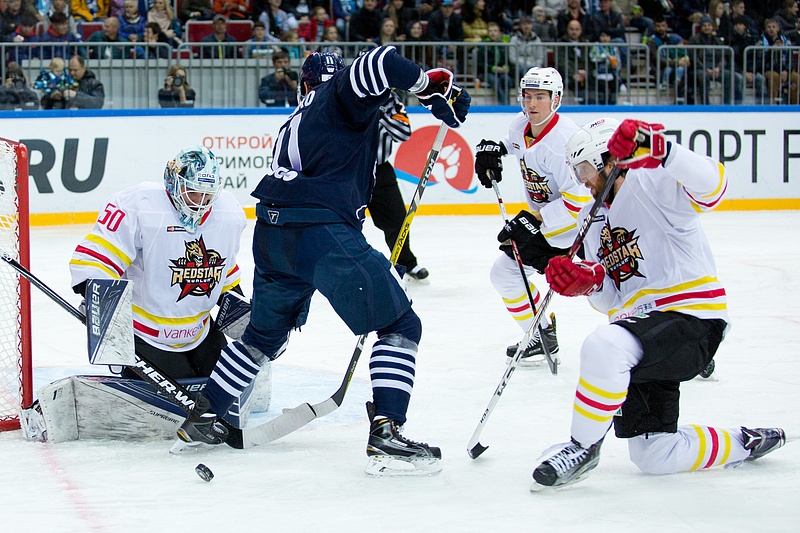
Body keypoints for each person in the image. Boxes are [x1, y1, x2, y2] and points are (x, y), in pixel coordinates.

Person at [176, 47, 470, 477]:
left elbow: (373, 117)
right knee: (401, 326)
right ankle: (387, 430)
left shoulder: (294, 119)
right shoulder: (339, 93)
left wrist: (425, 97)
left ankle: (207, 415)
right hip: (320, 234)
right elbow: (384, 61)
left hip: (274, 232)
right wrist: (428, 88)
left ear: (302, 84)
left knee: (262, 337)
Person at [526, 117, 786, 491]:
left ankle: (581, 447)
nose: (581, 179)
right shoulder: (591, 219)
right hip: (646, 331)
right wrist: (590, 282)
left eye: (584, 168)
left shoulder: (651, 182)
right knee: (655, 455)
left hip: (692, 320)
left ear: (609, 161)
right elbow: (615, 301)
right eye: (576, 170)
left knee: (604, 345)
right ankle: (744, 442)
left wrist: (663, 150)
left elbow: (714, 185)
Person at [69, 146, 247, 381]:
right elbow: (95, 261)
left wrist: (251, 326)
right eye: (192, 191)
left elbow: (224, 273)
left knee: (228, 384)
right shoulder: (139, 205)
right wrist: (99, 305)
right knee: (184, 396)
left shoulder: (228, 213)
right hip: (146, 333)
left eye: (207, 193)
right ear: (173, 182)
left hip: (200, 331)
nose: (200, 202)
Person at [474, 66, 589, 365]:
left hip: (581, 226)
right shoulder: (519, 125)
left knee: (615, 289)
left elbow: (579, 201)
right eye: (528, 96)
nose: (533, 104)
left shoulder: (565, 142)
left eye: (541, 97)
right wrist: (494, 151)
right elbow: (516, 144)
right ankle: (541, 333)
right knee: (506, 274)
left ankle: (675, 341)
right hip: (549, 224)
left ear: (556, 99)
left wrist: (534, 220)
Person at [370, 91, 430, 281]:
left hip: (380, 169)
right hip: (350, 170)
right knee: (346, 221)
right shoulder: (346, 93)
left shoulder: (390, 100)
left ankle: (405, 264)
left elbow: (403, 133)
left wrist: (380, 114)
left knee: (397, 219)